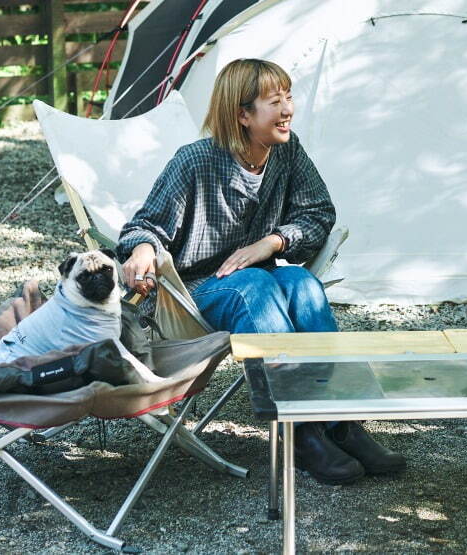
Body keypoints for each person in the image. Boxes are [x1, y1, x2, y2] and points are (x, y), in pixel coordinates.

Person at [117, 57, 403, 485]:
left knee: (303, 283)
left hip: (264, 275)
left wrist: (272, 243)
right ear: (243, 114)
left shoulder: (286, 153)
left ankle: (341, 421)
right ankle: (300, 433)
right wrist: (141, 249)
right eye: (275, 101)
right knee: (253, 285)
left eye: (288, 97)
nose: (288, 109)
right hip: (198, 292)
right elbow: (145, 226)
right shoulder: (194, 162)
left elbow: (318, 213)